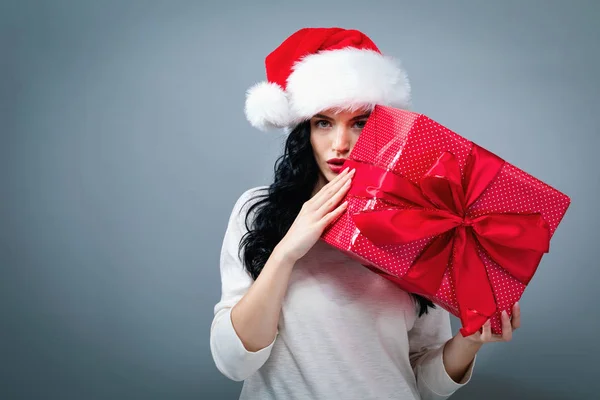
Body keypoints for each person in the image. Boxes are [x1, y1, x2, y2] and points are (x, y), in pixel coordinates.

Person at [210, 27, 521, 400]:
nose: (340, 144)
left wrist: (470, 341)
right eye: (324, 122)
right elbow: (233, 363)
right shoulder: (258, 211)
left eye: (359, 123)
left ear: (382, 127)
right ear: (303, 130)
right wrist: (287, 251)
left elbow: (422, 380)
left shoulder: (420, 222)